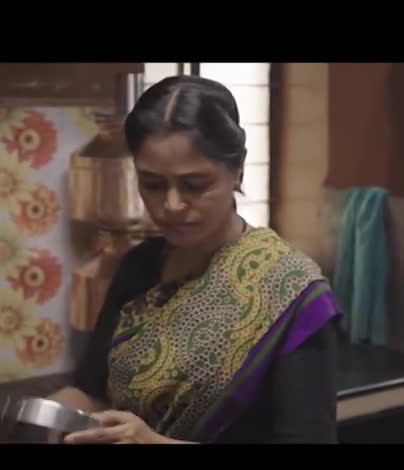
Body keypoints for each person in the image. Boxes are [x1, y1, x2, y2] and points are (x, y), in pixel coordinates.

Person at [48, 75, 343, 444]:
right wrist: (44, 416)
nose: (171, 205)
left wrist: (154, 442)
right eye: (153, 185)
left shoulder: (292, 294)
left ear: (237, 170)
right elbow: (91, 391)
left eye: (195, 185)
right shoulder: (140, 266)